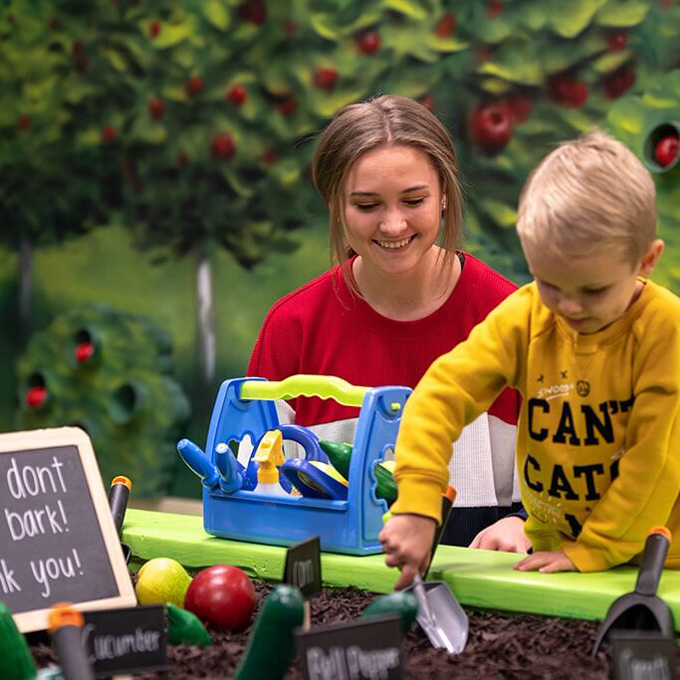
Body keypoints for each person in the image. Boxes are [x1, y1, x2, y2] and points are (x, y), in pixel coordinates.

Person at [380, 129, 680, 589]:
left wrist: (594, 550)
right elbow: (442, 394)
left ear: (646, 260)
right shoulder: (527, 316)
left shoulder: (665, 330)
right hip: (556, 550)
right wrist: (419, 501)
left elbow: (654, 464)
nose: (570, 307)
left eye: (594, 290)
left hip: (658, 563)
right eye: (550, 284)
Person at [248, 94, 529, 551]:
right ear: (336, 204)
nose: (393, 224)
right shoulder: (291, 327)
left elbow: (566, 480)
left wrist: (524, 524)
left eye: (413, 199)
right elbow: (253, 496)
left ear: (443, 194)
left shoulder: (511, 317)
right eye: (367, 205)